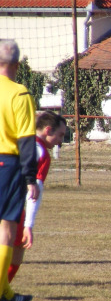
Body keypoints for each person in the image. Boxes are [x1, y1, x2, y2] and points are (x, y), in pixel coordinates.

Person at [0, 39, 39, 301]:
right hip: (7, 164)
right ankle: (2, 293)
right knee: (6, 228)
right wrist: (30, 178)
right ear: (17, 63)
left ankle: (7, 294)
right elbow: (26, 140)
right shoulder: (19, 94)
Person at [7, 111, 66, 283]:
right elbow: (34, 193)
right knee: (18, 247)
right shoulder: (41, 152)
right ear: (48, 130)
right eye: (60, 135)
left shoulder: (19, 141)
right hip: (10, 203)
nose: (60, 141)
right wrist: (28, 226)